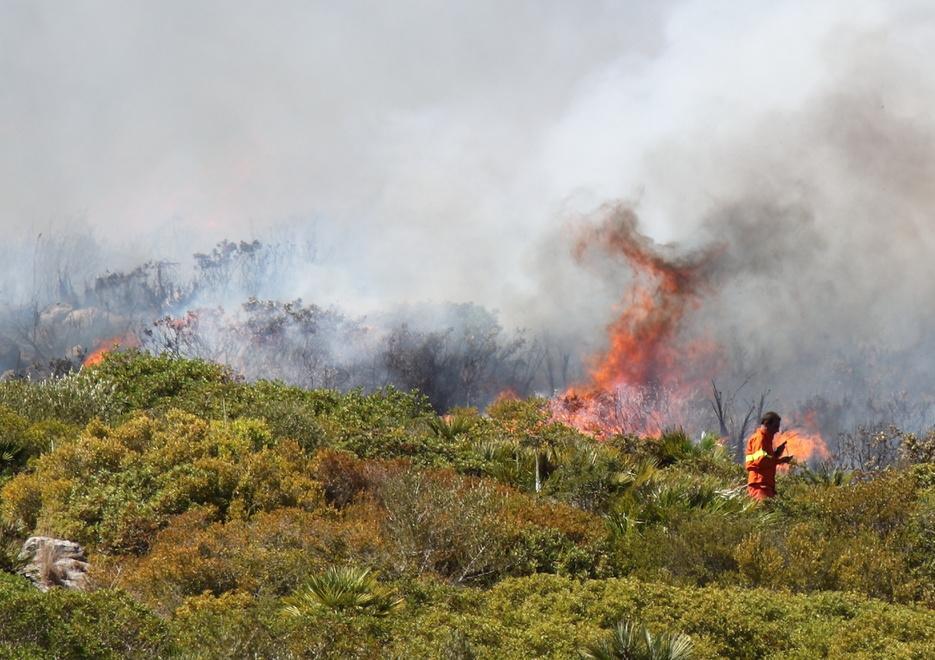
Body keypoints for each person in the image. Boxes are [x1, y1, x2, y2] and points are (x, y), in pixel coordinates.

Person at [745, 411, 792, 501]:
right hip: (759, 486)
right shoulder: (760, 439)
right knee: (762, 509)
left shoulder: (766, 440)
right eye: (775, 427)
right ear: (767, 424)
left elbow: (765, 459)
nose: (777, 430)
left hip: (764, 485)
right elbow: (761, 461)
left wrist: (777, 454)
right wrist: (780, 461)